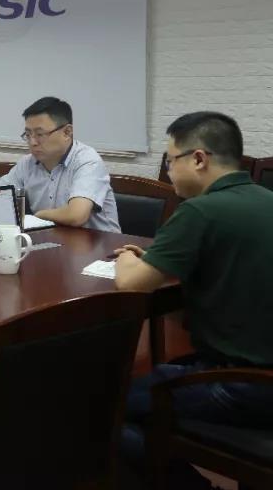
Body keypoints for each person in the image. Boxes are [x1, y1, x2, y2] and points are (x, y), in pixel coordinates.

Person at [114, 111, 273, 489]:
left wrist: (127, 259)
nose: (168, 171)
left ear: (199, 159)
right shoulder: (266, 199)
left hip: (243, 385)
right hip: (259, 372)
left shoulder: (200, 211)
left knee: (103, 409)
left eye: (171, 160)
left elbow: (131, 285)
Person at [0, 97, 120, 232]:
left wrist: (39, 216)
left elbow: (77, 215)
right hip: (55, 239)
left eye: (40, 134)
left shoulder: (87, 161)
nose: (33, 142)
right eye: (28, 134)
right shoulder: (27, 164)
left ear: (67, 132)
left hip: (103, 243)